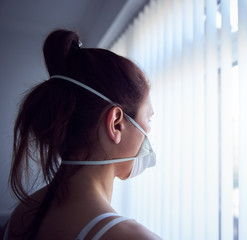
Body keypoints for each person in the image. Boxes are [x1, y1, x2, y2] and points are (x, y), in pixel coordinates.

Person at [0, 29, 161, 240]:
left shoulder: (21, 215)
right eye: (148, 120)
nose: (148, 131)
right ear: (116, 124)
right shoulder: (131, 237)